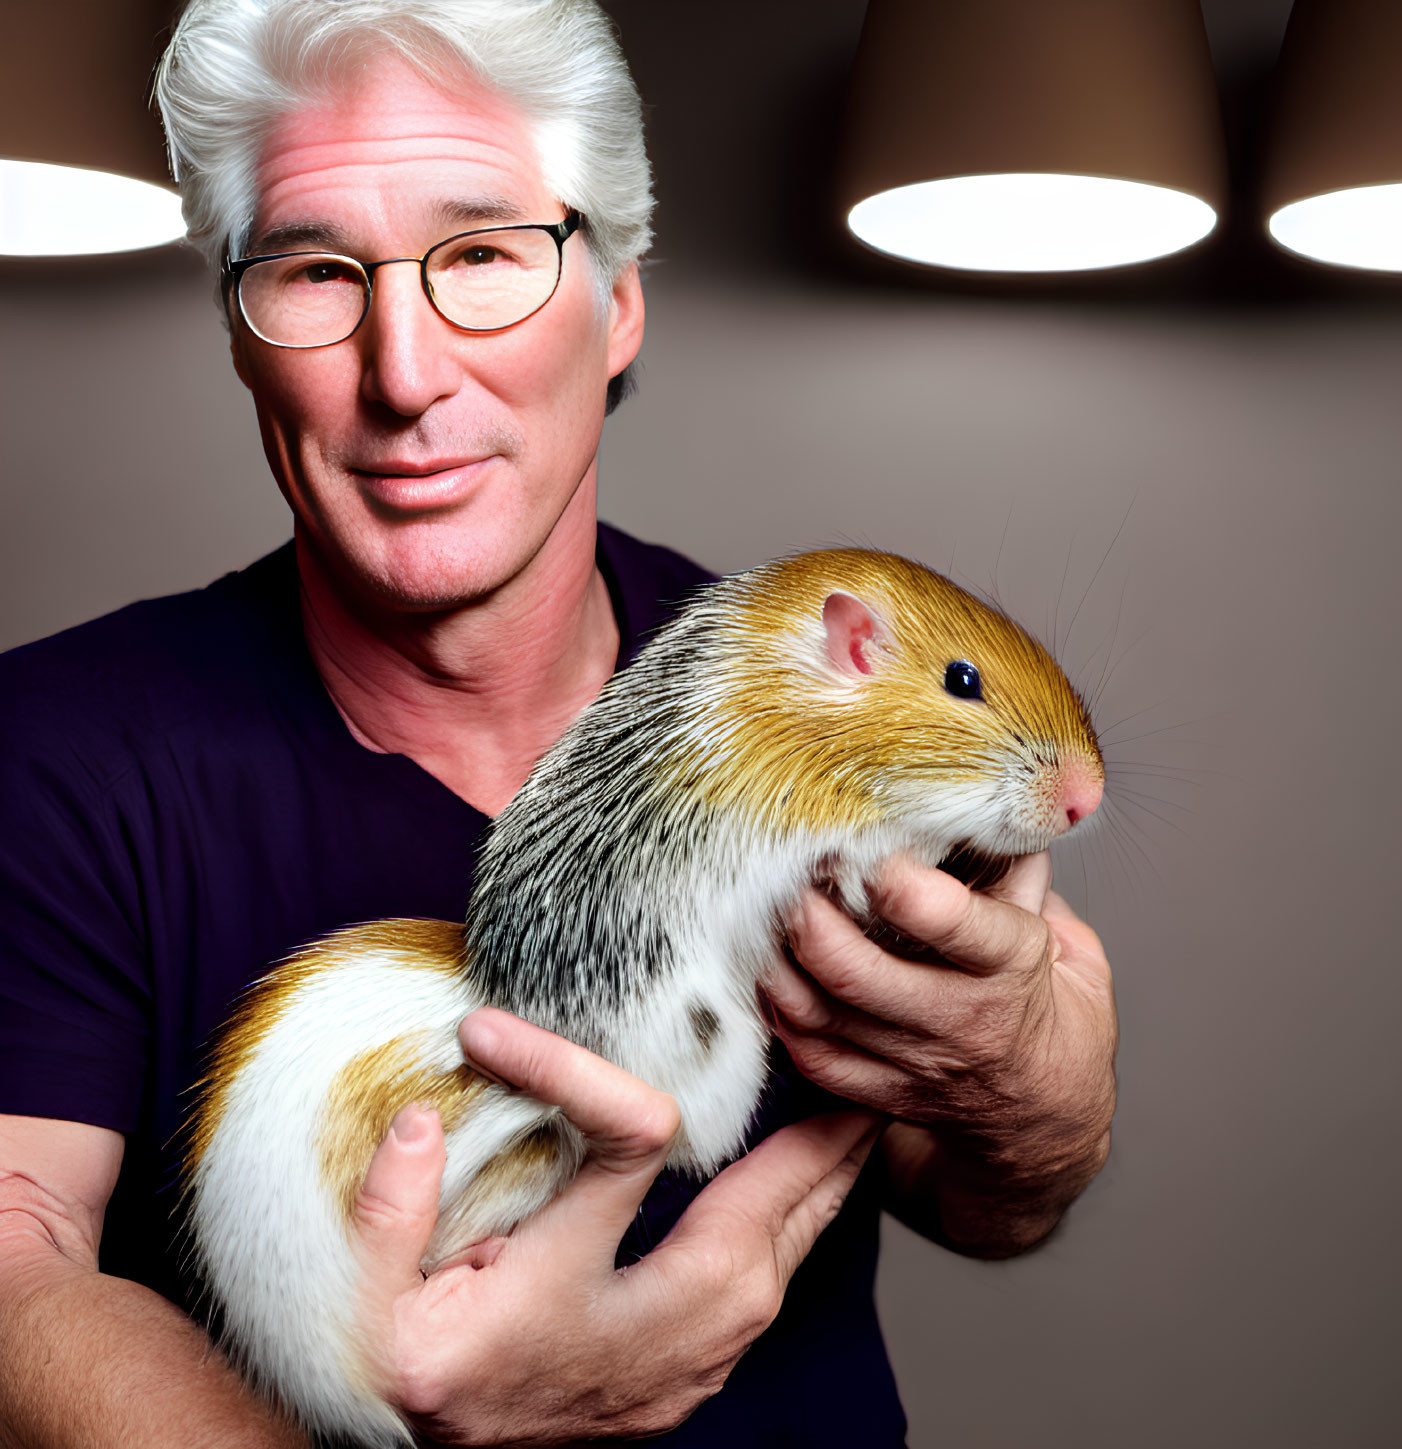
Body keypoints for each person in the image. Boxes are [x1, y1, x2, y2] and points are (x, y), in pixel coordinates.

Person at [0, 1, 1118, 1444]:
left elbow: (985, 1195)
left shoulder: (841, 713)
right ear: (237, 330)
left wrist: (1037, 1087)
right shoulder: (49, 745)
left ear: (620, 302)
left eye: (481, 255)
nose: (405, 372)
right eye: (314, 271)